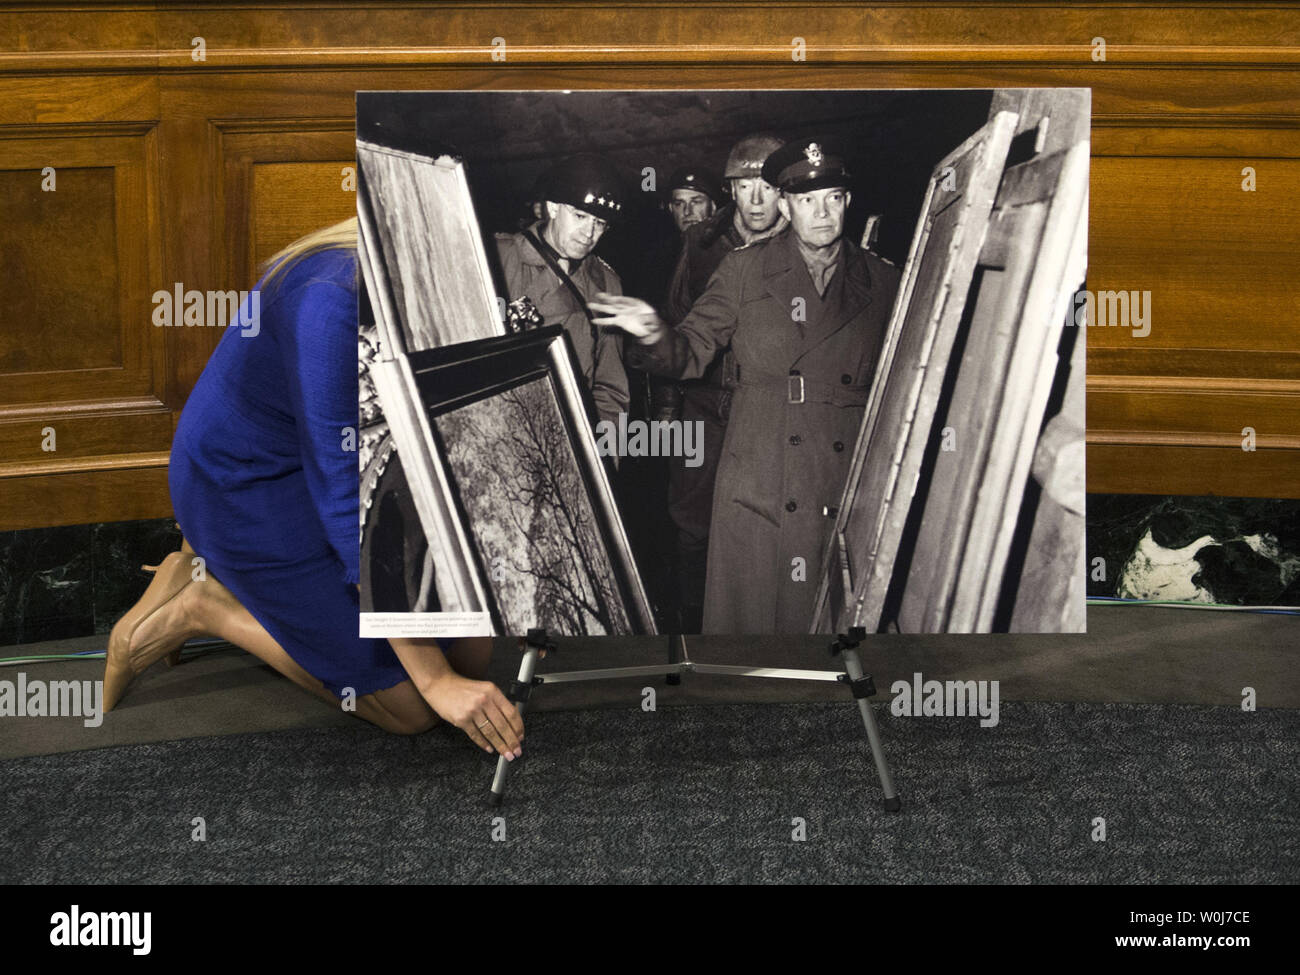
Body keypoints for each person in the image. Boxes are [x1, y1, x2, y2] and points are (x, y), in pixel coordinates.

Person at [104, 219, 527, 759]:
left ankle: (202, 572)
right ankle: (206, 605)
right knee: (414, 707)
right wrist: (435, 680)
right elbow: (342, 502)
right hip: (245, 488)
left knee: (470, 657)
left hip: (330, 473)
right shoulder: (328, 296)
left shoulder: (426, 268)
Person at [590, 138, 902, 634]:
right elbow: (690, 352)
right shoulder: (744, 269)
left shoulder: (885, 282)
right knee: (752, 624)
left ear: (848, 201)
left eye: (833, 199)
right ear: (785, 204)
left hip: (840, 476)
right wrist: (655, 332)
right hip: (759, 468)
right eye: (806, 201)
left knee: (831, 627)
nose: (821, 213)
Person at [662, 133, 788, 631]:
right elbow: (676, 330)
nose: (756, 199)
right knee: (691, 520)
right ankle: (690, 627)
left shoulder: (802, 240)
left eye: (767, 185)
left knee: (762, 520)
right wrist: (669, 414)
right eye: (744, 185)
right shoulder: (701, 244)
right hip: (704, 404)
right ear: (730, 190)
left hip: (765, 410)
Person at [494, 153, 630, 427]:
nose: (589, 234)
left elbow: (610, 388)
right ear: (553, 208)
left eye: (600, 224)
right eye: (580, 216)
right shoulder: (498, 257)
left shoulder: (606, 285)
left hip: (566, 433)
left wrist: (603, 458)